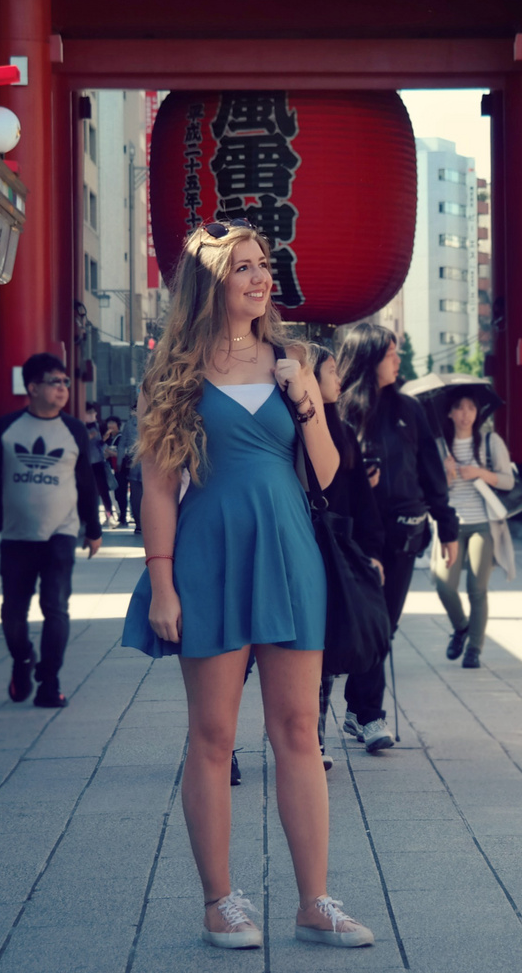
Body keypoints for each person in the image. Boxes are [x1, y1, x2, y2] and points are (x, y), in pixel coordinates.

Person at [121, 218, 374, 949]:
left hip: (291, 553)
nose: (261, 278)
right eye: (243, 268)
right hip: (207, 557)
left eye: (264, 265)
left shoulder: (293, 359)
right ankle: (219, 901)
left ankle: (313, 901)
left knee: (299, 728)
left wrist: (307, 405)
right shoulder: (174, 369)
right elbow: (159, 489)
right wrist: (160, 584)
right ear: (210, 283)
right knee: (213, 735)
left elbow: (327, 472)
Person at [336, 323, 459, 753]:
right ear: (369, 358)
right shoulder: (338, 409)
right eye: (391, 353)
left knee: (381, 627)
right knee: (350, 625)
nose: (398, 360)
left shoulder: (410, 408)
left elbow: (430, 471)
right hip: (353, 536)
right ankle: (344, 713)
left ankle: (365, 713)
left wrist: (448, 525)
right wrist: (357, 480)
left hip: (404, 532)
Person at [0, 353, 102, 709]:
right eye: (54, 382)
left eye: (65, 382)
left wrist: (94, 528)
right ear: (33, 388)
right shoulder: (7, 428)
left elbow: (85, 480)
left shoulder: (73, 429)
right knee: (13, 612)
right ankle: (23, 657)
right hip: (16, 537)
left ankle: (50, 680)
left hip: (61, 533)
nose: (62, 388)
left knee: (55, 607)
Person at [314, 344, 385, 770]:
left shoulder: (343, 430)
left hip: (341, 549)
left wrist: (373, 552)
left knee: (325, 645)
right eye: (331, 371)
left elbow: (361, 499)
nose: (338, 379)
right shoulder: (293, 428)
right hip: (305, 544)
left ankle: (318, 740)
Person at [435, 389, 516, 670]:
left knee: (476, 589)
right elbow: (431, 490)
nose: (466, 413)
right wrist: (445, 475)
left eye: (471, 408)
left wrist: (479, 472)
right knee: (444, 585)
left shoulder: (491, 442)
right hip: (450, 525)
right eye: (459, 407)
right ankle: (462, 627)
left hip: (483, 523)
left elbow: (508, 482)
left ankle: (474, 649)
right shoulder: (440, 446)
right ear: (449, 412)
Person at [83, 403, 115, 527]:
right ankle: (89, 517)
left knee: (104, 491)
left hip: (98, 463)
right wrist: (87, 437)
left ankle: (109, 516)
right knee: (88, 492)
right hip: (85, 465)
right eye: (90, 413)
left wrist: (104, 440)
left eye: (93, 413)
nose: (93, 415)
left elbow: (100, 446)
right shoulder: (80, 426)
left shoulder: (98, 426)